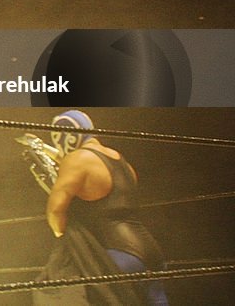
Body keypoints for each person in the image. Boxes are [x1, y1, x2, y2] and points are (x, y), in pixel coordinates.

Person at [39, 110, 168, 305]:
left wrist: (70, 241)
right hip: (149, 251)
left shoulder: (77, 159)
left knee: (55, 285)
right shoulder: (119, 160)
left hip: (115, 255)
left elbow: (55, 211)